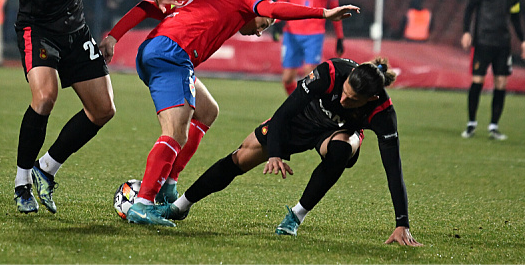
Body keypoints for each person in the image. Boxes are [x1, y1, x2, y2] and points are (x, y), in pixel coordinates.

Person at [99, 0, 360, 227]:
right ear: (256, 7)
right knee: (175, 132)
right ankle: (143, 203)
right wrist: (323, 13)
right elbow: (274, 7)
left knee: (207, 110)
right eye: (263, 24)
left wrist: (113, 36)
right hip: (172, 54)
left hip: (158, 52)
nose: (260, 31)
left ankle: (169, 183)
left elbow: (149, 6)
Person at [2, 0, 185, 214]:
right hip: (38, 29)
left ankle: (46, 169)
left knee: (103, 110)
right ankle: (21, 182)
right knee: (45, 97)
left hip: (75, 29)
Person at [158, 57, 422, 246]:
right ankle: (180, 206)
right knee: (241, 158)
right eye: (344, 93)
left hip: (333, 134)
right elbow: (285, 112)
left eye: (352, 100)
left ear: (372, 99)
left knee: (342, 148)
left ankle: (295, 217)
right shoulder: (329, 73)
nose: (344, 100)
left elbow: (393, 167)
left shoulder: (383, 114)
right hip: (299, 121)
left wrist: (402, 223)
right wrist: (275, 153)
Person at [460, 0, 525, 140]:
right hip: (482, 41)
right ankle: (471, 124)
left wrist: (523, 40)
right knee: (478, 81)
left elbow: (515, 16)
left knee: (501, 82)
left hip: (503, 43)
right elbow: (469, 9)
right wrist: (466, 31)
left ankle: (493, 126)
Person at [277, 0, 344, 95]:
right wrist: (277, 22)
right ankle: (299, 106)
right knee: (287, 78)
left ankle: (307, 110)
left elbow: (335, 9)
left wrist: (340, 36)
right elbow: (281, 0)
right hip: (291, 32)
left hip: (314, 33)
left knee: (310, 77)